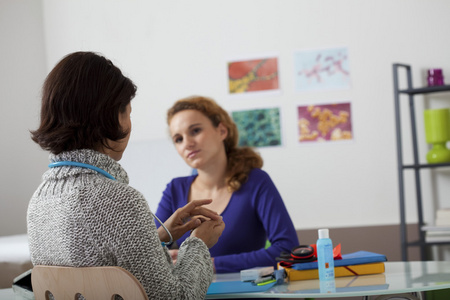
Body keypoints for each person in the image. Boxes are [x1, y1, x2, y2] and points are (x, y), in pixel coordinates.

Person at [27, 51, 225, 299]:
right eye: (128, 113)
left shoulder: (37, 204)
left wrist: (157, 238)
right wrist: (198, 244)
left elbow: (97, 268)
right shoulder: (121, 202)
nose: (130, 124)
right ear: (113, 116)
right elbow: (176, 298)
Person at [156, 95, 299, 273]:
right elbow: (153, 253)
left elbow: (286, 250)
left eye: (195, 131)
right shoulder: (174, 189)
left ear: (222, 131)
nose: (187, 144)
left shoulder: (256, 181)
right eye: (178, 139)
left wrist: (210, 263)